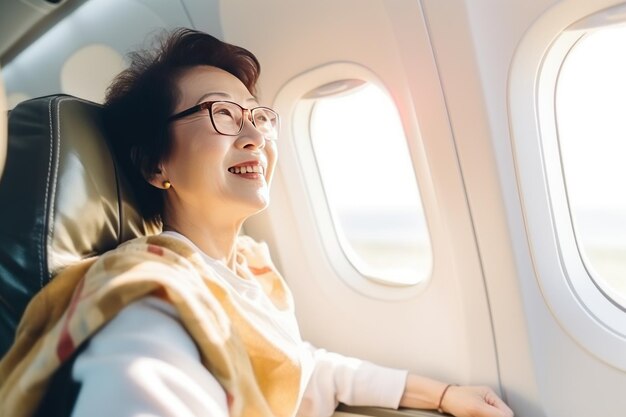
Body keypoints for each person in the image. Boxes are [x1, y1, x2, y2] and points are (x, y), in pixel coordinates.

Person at [0, 29, 514, 417]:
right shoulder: (151, 297)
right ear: (156, 164)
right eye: (221, 114)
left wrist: (444, 395)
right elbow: (140, 383)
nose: (253, 136)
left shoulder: (245, 269)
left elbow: (302, 366)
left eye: (258, 116)